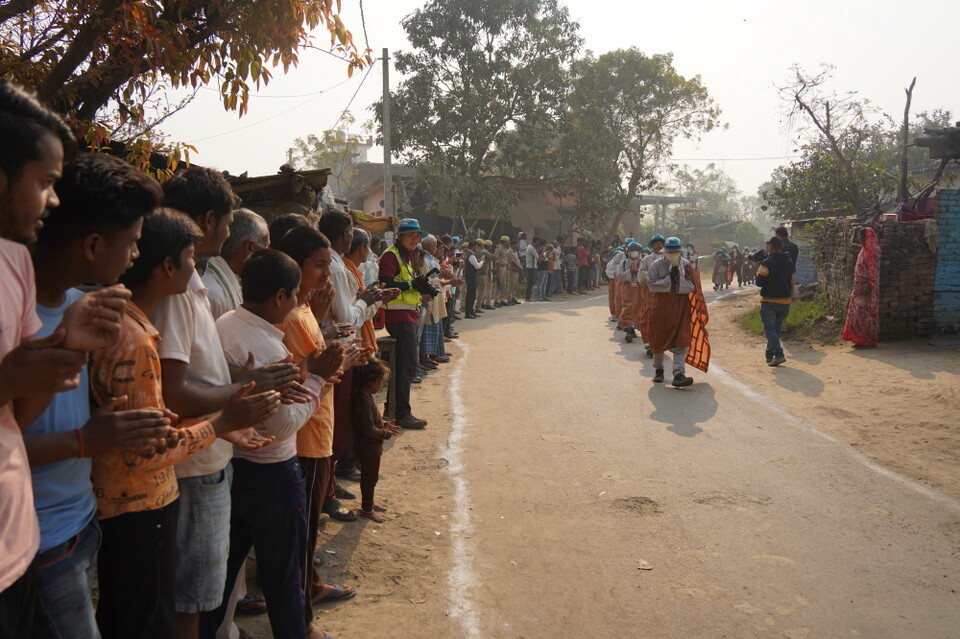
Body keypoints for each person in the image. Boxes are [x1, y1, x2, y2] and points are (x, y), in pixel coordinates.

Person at [91, 209, 280, 639]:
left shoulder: (137, 327)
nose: (197, 269)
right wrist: (223, 421)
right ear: (166, 266)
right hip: (137, 506)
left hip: (134, 504)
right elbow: (150, 448)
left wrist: (225, 422)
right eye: (191, 257)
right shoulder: (134, 339)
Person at [26, 153, 181, 639]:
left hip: (80, 519)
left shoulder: (86, 307)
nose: (135, 255)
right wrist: (85, 441)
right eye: (131, 242)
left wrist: (121, 422)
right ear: (93, 245)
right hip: (38, 537)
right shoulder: (15, 314)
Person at [0, 79, 132, 639]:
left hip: (28, 539)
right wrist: (83, 440)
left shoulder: (14, 268)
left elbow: (14, 417)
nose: (52, 202)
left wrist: (66, 348)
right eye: (45, 182)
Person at [154, 166, 300, 639]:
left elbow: (201, 376)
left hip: (213, 453)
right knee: (194, 601)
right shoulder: (177, 293)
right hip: (196, 464)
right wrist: (241, 394)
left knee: (207, 593)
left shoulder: (197, 284)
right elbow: (173, 391)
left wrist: (238, 395)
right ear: (208, 220)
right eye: (228, 220)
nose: (230, 230)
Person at [203, 250, 334, 639]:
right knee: (283, 575)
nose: (297, 303)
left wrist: (306, 374)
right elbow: (283, 424)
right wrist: (319, 381)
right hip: (271, 472)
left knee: (223, 573)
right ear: (280, 296)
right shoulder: (267, 348)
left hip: (231, 465)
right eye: (294, 295)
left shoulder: (225, 324)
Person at [274, 226, 360, 621]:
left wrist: (340, 357)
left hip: (318, 424)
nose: (329, 274)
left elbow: (317, 362)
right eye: (320, 266)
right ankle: (305, 590)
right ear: (296, 267)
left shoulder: (308, 309)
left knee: (305, 525)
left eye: (328, 265)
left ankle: (308, 582)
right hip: (305, 433)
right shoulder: (291, 316)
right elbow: (296, 373)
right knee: (302, 526)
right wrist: (329, 365)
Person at [378, 218, 431, 429]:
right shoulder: (391, 255)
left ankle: (395, 409)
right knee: (407, 365)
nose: (414, 240)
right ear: (399, 237)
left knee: (405, 365)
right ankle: (402, 413)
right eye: (410, 235)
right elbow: (386, 282)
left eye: (417, 236)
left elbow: (405, 285)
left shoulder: (405, 256)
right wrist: (411, 284)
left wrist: (417, 286)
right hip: (399, 317)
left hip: (408, 316)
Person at [351, 359, 401, 523]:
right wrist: (385, 433)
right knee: (369, 478)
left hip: (370, 446)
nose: (382, 386)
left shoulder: (365, 397)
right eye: (382, 382)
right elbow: (368, 429)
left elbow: (371, 421)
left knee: (370, 478)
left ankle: (369, 503)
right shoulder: (362, 401)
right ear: (373, 382)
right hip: (368, 447)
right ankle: (367, 509)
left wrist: (384, 424)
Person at [646, 237, 697, 386]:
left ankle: (679, 373)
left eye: (676, 251)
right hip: (661, 307)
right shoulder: (656, 265)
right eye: (670, 252)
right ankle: (659, 370)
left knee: (681, 339)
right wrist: (669, 280)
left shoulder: (686, 265)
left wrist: (679, 281)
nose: (673, 254)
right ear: (665, 251)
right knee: (658, 338)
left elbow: (693, 286)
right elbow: (651, 284)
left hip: (680, 307)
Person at [202, 208, 269, 319]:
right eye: (265, 248)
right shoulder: (214, 295)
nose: (268, 256)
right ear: (250, 247)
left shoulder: (236, 281)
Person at [755, 236, 795, 367]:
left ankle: (778, 354)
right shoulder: (789, 260)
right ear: (781, 247)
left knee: (769, 329)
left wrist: (759, 267)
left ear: (770, 246)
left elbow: (759, 282)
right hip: (785, 302)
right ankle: (769, 354)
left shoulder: (767, 263)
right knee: (776, 329)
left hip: (770, 301)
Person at [842, 227, 881, 348]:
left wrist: (869, 286)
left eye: (860, 237)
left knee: (865, 314)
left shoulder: (873, 251)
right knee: (857, 313)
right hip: (859, 286)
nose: (858, 239)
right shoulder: (863, 250)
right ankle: (859, 339)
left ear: (866, 237)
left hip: (867, 287)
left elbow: (873, 270)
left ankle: (867, 339)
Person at [617, 242, 645, 344]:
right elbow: (619, 276)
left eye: (636, 250)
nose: (634, 252)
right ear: (628, 251)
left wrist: (638, 272)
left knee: (638, 307)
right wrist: (630, 272)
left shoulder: (643, 262)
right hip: (628, 287)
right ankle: (629, 329)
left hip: (639, 287)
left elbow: (646, 275)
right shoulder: (623, 263)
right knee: (627, 306)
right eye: (632, 250)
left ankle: (634, 327)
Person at [462, 239, 482, 319]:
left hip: (470, 276)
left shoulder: (469, 254)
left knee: (472, 294)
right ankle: (468, 312)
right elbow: (477, 266)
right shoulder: (471, 255)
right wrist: (482, 262)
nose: (477, 248)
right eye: (476, 246)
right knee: (471, 294)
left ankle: (471, 310)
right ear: (474, 247)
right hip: (471, 277)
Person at [524, 237, 540, 301]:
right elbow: (537, 257)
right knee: (530, 282)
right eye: (538, 242)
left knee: (531, 282)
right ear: (536, 241)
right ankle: (528, 297)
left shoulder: (530, 247)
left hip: (531, 266)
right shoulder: (531, 248)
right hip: (531, 267)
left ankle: (528, 296)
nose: (538, 243)